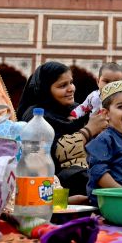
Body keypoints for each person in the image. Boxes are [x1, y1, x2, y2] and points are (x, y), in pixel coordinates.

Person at [16, 61, 108, 199]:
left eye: (71, 82)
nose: (71, 88)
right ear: (45, 89)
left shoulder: (76, 111)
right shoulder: (35, 116)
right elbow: (56, 153)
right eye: (62, 85)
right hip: (53, 183)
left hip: (86, 170)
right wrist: (89, 130)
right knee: (80, 176)